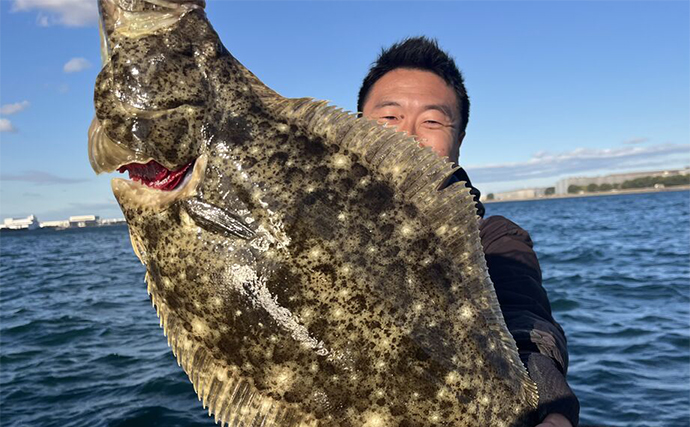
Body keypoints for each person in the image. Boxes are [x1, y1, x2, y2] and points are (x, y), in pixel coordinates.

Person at [357, 37, 580, 427]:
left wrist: (549, 405)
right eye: (388, 118)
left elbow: (526, 321)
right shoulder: (292, 220)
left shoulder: (494, 240)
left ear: (458, 141)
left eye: (432, 121)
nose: (407, 136)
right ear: (355, 126)